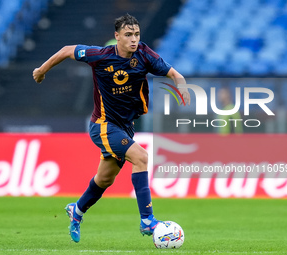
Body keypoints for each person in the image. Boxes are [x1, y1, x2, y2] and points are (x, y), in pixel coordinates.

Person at [33, 13, 190, 243]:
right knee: (141, 157)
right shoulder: (99, 56)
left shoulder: (145, 55)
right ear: (117, 36)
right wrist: (42, 70)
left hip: (125, 127)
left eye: (136, 34)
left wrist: (182, 87)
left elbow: (174, 74)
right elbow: (67, 49)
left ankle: (76, 211)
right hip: (103, 125)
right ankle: (147, 219)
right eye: (128, 35)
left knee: (105, 179)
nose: (134, 39)